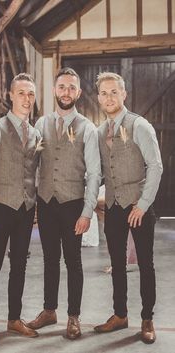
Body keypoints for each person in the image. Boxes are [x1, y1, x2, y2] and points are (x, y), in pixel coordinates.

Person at [27, 67, 101, 339]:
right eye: (62, 87)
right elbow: (32, 165)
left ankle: (73, 316)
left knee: (73, 261)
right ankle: (49, 310)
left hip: (73, 204)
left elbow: (94, 173)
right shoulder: (40, 125)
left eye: (71, 87)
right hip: (46, 203)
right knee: (49, 260)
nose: (66, 92)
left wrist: (87, 211)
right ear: (54, 90)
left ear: (78, 93)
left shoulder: (88, 128)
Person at [93, 72, 163, 344]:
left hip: (138, 206)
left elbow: (155, 166)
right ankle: (120, 314)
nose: (109, 97)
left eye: (114, 92)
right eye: (104, 93)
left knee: (146, 265)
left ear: (124, 94)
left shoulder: (139, 125)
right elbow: (99, 172)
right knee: (117, 265)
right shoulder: (100, 132)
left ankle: (147, 319)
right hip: (113, 206)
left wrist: (143, 204)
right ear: (98, 98)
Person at [0, 73, 41, 348]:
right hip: (0, 208)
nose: (27, 99)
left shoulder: (36, 134)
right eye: (22, 93)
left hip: (25, 209)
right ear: (11, 96)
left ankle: (14, 318)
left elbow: (33, 172)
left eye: (31, 94)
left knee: (20, 265)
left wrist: (35, 202)